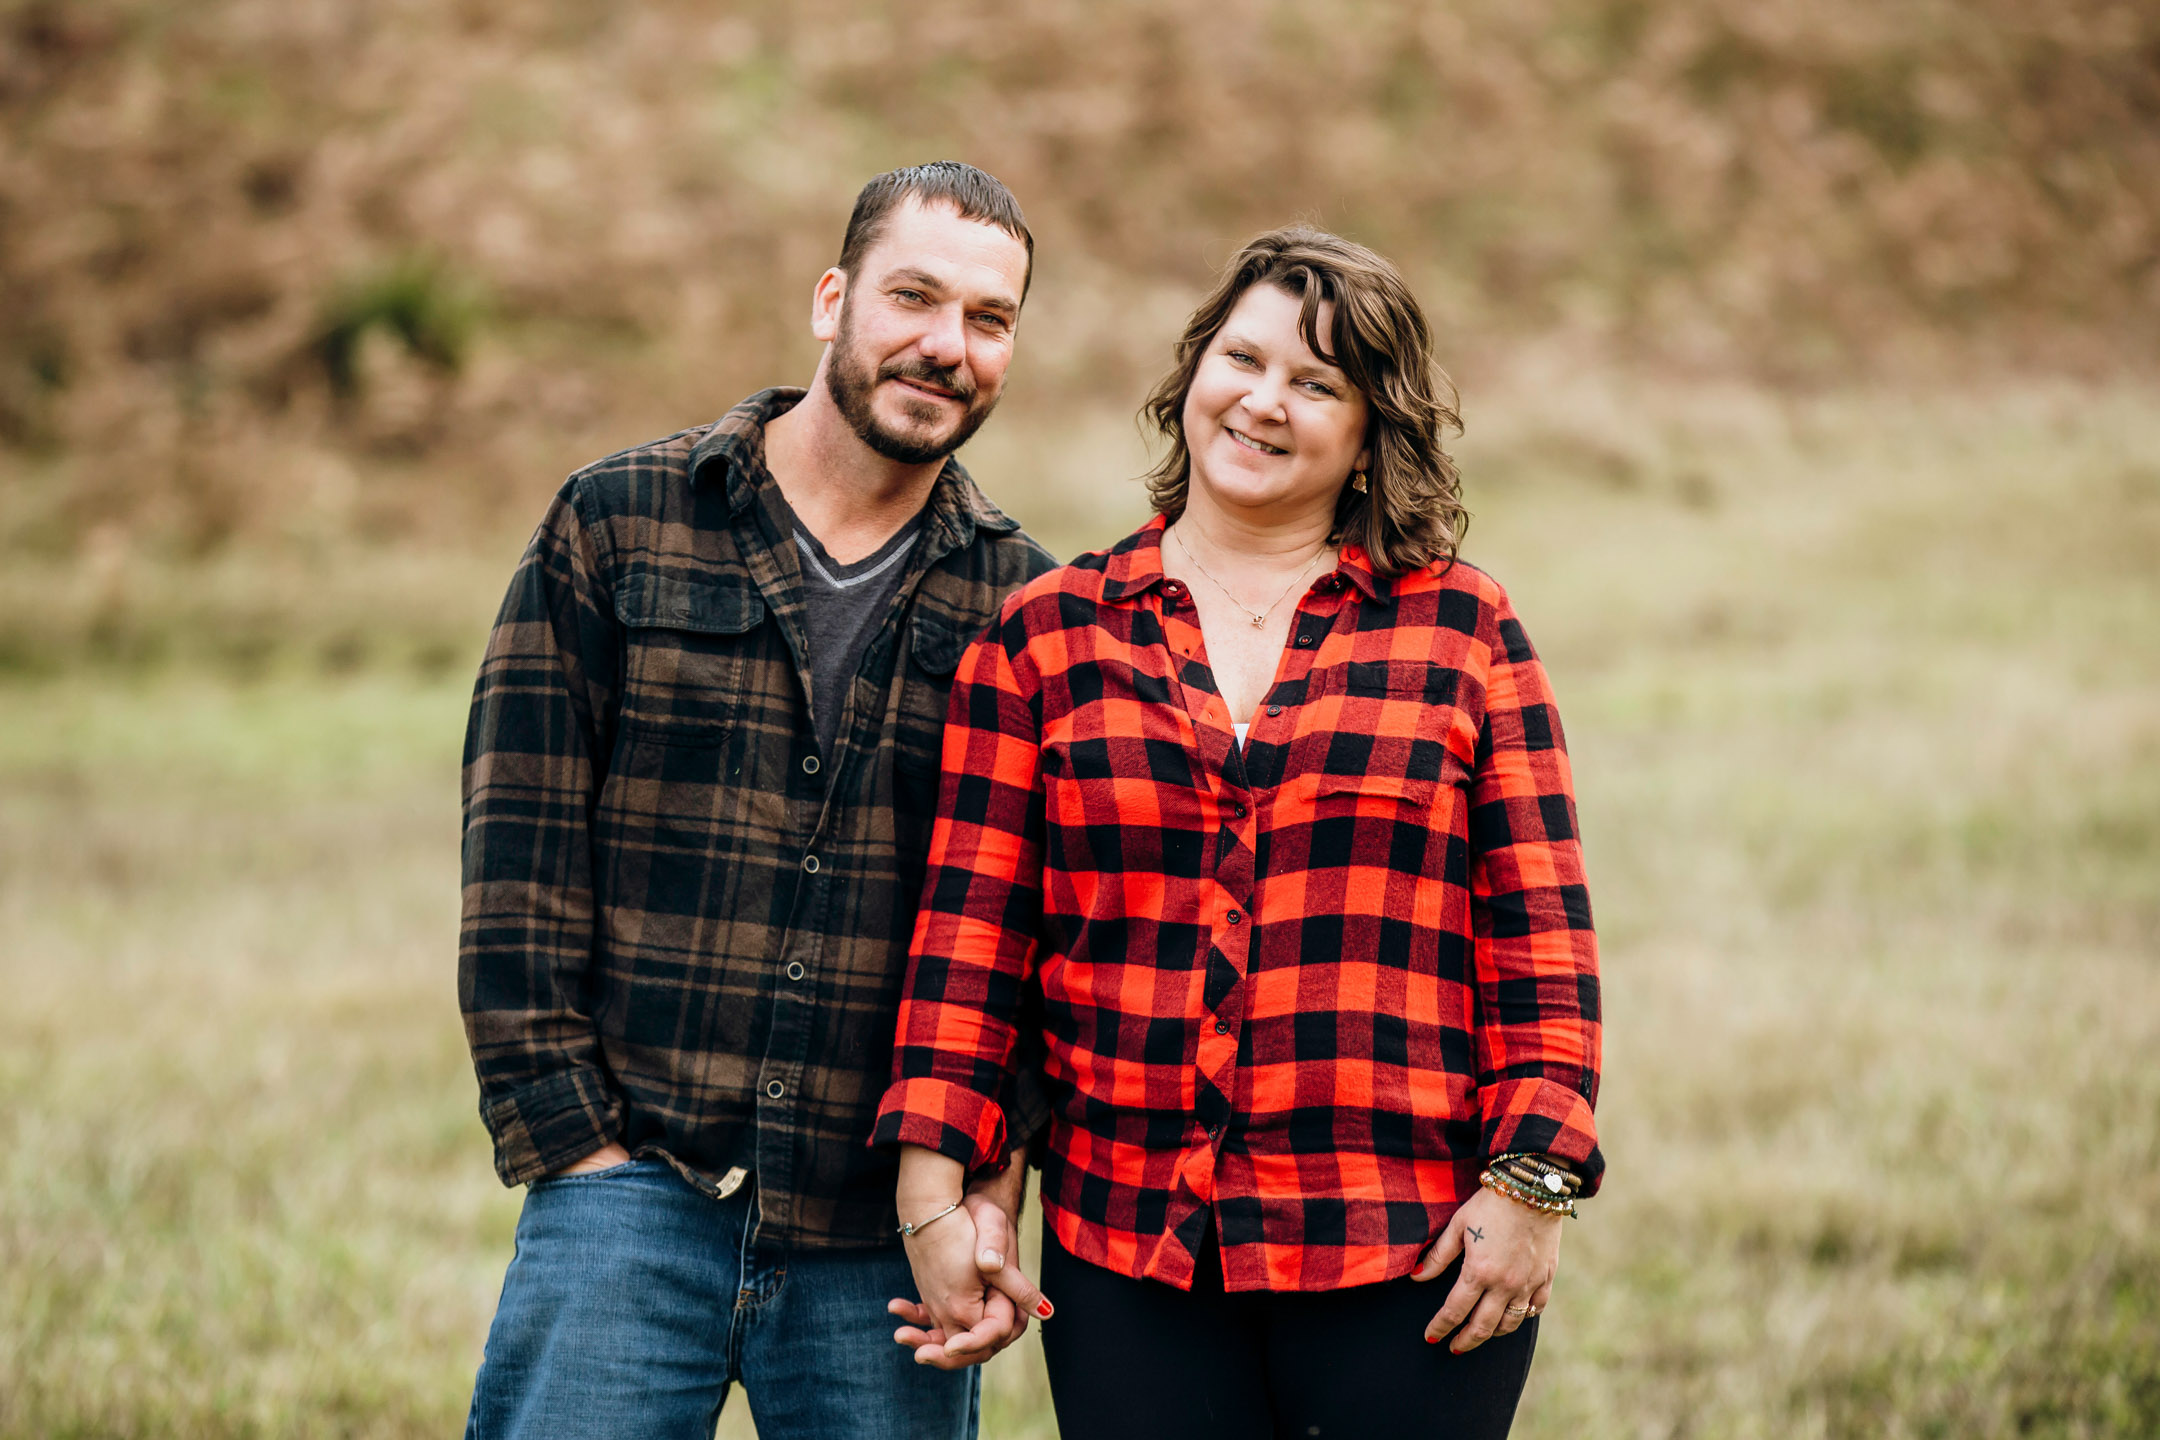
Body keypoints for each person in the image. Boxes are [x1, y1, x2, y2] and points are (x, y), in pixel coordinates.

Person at [875, 225, 1603, 1438]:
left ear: (1374, 432)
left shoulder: (1463, 630)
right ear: (1192, 373)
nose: (1265, 403)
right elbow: (972, 941)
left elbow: (1541, 938)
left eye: (1318, 385)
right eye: (1244, 360)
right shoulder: (1046, 635)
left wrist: (1532, 1186)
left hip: (1406, 1248)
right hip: (1131, 1253)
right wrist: (937, 1190)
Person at [457, 162, 1058, 1440]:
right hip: (635, 1197)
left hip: (880, 1239)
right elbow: (517, 850)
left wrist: (984, 1196)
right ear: (832, 298)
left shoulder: (1026, 611)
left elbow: (1027, 941)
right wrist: (575, 1150)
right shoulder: (619, 523)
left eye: (990, 321)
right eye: (915, 297)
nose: (947, 347)